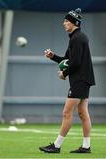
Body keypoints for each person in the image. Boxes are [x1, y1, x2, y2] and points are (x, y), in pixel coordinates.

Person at [39, 8, 95, 153]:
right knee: (83, 113)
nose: (64, 24)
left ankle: (56, 146)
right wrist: (53, 56)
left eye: (66, 21)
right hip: (83, 79)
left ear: (73, 23)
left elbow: (75, 63)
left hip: (80, 80)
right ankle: (86, 146)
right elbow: (67, 60)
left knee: (66, 112)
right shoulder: (75, 38)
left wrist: (64, 73)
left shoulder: (78, 39)